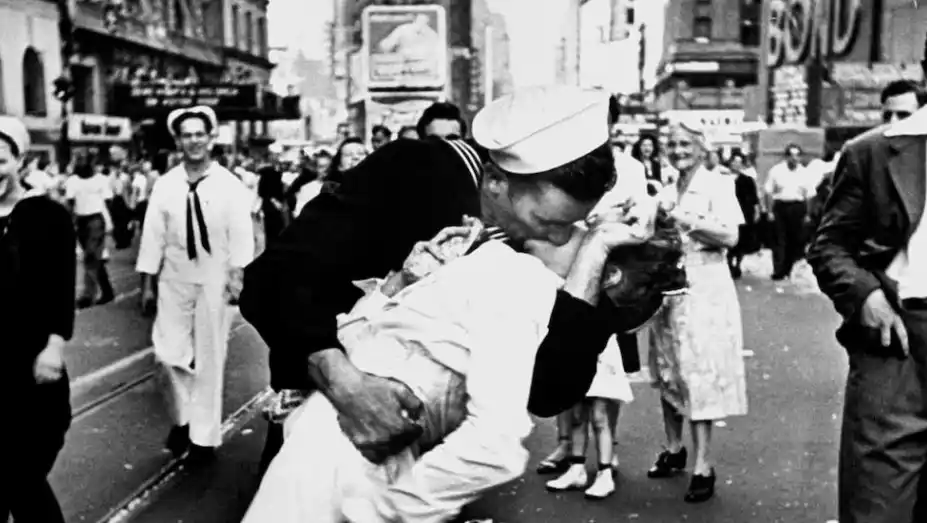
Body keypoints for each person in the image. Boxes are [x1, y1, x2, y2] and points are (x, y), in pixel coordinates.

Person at [242, 85, 652, 523]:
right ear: (495, 181)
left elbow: (550, 391)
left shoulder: (530, 258)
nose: (557, 238)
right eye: (547, 222)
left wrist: (594, 259)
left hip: (423, 474)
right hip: (329, 439)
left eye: (571, 226)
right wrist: (348, 386)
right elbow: (272, 279)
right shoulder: (419, 171)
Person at [807, 103, 927, 523]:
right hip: (898, 343)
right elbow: (829, 246)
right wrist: (865, 296)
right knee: (879, 502)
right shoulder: (872, 151)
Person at [136, 105, 255, 463]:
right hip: (174, 278)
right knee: (167, 355)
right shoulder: (166, 185)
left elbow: (241, 234)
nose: (193, 141)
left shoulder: (229, 185)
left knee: (209, 358)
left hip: (214, 279)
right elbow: (152, 236)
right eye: (186, 135)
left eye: (199, 134)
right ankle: (183, 417)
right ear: (178, 140)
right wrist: (147, 284)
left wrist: (238, 276)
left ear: (211, 138)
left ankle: (203, 438)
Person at [643, 123, 748, 503]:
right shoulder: (667, 188)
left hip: (706, 286)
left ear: (702, 149)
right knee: (668, 368)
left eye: (685, 143)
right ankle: (674, 448)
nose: (678, 150)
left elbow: (730, 236)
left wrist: (685, 220)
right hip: (668, 287)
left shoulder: (718, 185)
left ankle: (704, 464)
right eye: (672, 144)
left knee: (700, 372)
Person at [0, 116, 77, 522]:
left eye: (1, 159)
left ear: (20, 161)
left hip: (33, 366)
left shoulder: (48, 216)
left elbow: (61, 285)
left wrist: (54, 346)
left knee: (23, 478)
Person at [764, 143, 814, 280]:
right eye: (791, 155)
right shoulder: (776, 171)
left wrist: (808, 214)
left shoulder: (804, 173)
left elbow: (810, 195)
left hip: (797, 207)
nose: (794, 158)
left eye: (797, 155)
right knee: (779, 239)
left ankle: (787, 269)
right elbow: (768, 191)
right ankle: (778, 270)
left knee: (794, 239)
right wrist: (769, 211)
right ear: (786, 157)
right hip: (781, 207)